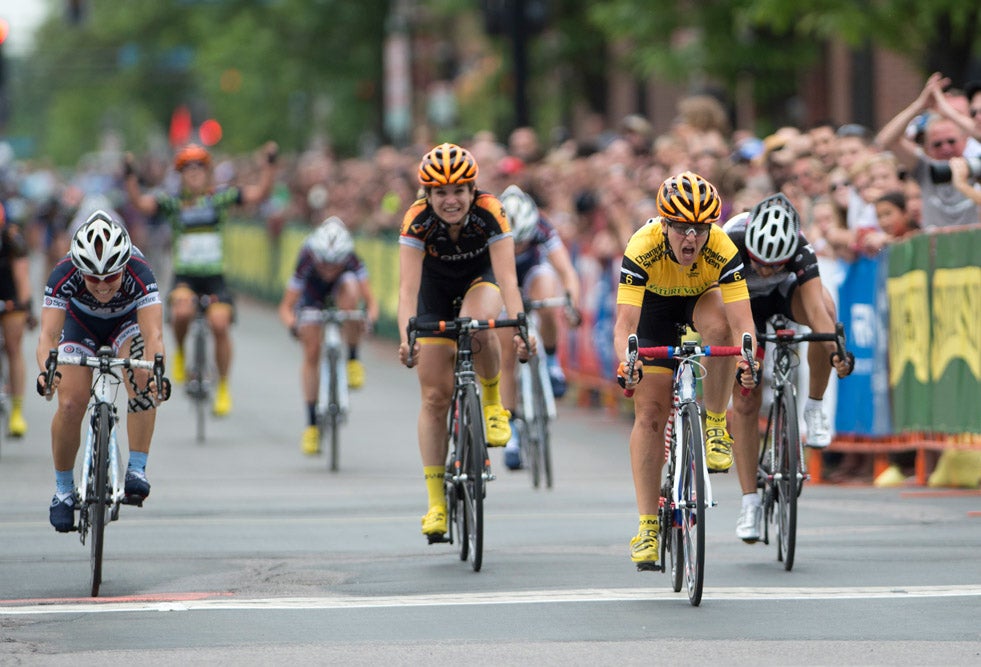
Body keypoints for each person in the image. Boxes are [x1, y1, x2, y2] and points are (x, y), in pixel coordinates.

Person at [613, 171, 760, 568]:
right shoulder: (642, 246)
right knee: (650, 413)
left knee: (721, 326)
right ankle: (647, 526)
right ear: (664, 224)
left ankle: (713, 424)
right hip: (654, 312)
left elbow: (744, 323)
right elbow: (624, 326)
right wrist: (627, 363)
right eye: (681, 227)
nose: (691, 238)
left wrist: (749, 359)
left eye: (699, 227)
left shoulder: (722, 247)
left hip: (701, 299)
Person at [397, 142, 533, 540]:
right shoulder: (416, 219)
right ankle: (436, 503)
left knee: (475, 322)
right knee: (435, 398)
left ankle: (492, 403)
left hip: (480, 280)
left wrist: (521, 328)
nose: (450, 200)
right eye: (440, 192)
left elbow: (508, 280)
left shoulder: (491, 212)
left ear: (473, 191)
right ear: (428, 195)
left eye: (459, 191)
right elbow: (407, 287)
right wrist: (409, 335)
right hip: (433, 293)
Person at [723, 193, 855, 542]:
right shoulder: (729, 240)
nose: (766, 270)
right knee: (746, 400)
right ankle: (749, 501)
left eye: (775, 264)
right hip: (742, 305)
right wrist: (745, 358)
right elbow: (726, 316)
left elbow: (816, 312)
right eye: (759, 262)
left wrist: (837, 352)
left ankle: (813, 407)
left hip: (785, 296)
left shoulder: (800, 247)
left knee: (826, 310)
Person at [36, 211, 170, 532]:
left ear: (124, 266)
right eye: (92, 278)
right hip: (79, 325)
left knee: (141, 374)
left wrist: (157, 373)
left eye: (111, 277)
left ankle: (137, 468)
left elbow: (153, 336)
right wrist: (46, 372)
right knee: (70, 403)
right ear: (78, 269)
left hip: (125, 325)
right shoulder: (62, 273)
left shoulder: (140, 271)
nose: (101, 286)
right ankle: (64, 491)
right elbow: (47, 337)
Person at [123, 141, 278, 416]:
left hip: (215, 276)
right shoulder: (172, 202)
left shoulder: (219, 198)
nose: (193, 174)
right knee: (182, 312)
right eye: (187, 170)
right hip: (186, 276)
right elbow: (140, 203)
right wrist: (131, 176)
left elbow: (260, 195)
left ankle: (223, 387)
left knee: (220, 324)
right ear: (180, 175)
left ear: (207, 173)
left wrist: (268, 166)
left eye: (199, 169)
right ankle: (181, 351)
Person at [495, 184, 581, 470]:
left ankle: (552, 362)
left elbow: (567, 272)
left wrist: (571, 305)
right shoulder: (490, 229)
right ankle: (512, 431)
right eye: (513, 243)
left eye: (523, 242)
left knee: (547, 294)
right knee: (506, 352)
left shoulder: (542, 227)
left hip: (532, 276)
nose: (518, 248)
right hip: (500, 282)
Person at [277, 216, 379, 455]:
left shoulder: (352, 260)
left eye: (336, 264)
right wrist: (294, 325)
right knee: (311, 351)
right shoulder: (307, 260)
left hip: (343, 292)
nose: (329, 270)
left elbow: (371, 302)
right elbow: (286, 307)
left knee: (351, 291)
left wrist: (368, 321)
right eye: (325, 264)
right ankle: (311, 424)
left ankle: (353, 357)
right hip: (313, 297)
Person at [875, 72, 979, 229]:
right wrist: (919, 105)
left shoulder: (975, 164)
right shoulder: (925, 170)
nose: (945, 148)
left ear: (965, 140)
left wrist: (947, 110)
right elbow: (884, 141)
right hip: (936, 250)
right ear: (928, 148)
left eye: (951, 141)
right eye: (937, 144)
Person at [0, 202, 34, 437]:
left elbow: (22, 277)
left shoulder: (12, 239)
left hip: (9, 294)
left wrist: (26, 305)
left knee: (14, 346)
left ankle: (17, 411)